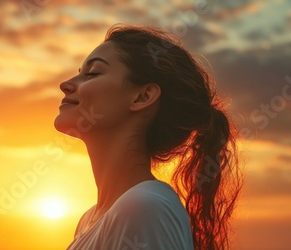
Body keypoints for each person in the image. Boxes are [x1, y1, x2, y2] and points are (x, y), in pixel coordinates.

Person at [54, 24, 243, 250]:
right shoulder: (91, 219)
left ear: (143, 97)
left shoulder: (145, 207)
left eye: (92, 73)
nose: (65, 85)